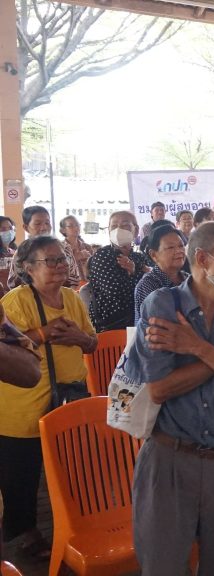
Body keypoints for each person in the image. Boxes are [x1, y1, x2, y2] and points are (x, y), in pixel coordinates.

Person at [127, 222, 214, 576]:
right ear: (204, 259)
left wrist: (197, 347)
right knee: (164, 566)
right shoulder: (162, 305)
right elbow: (160, 388)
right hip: (170, 458)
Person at [0, 235, 96, 559]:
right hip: (24, 405)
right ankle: (27, 535)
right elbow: (6, 348)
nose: (59, 266)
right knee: (22, 474)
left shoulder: (72, 297)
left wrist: (78, 337)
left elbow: (93, 342)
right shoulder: (16, 301)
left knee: (72, 468)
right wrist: (44, 333)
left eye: (62, 259)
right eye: (49, 260)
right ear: (28, 268)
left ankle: (76, 526)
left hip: (70, 400)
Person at [88, 212, 148, 332]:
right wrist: (134, 273)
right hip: (112, 324)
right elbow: (114, 292)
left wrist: (134, 271)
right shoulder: (103, 255)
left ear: (136, 231)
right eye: (114, 226)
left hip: (140, 320)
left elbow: (149, 288)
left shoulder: (139, 257)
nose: (118, 230)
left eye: (125, 225)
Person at [9, 207, 80, 290]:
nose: (44, 227)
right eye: (37, 224)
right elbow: (14, 283)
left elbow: (74, 279)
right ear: (26, 227)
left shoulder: (64, 248)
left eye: (47, 223)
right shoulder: (22, 252)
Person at [134, 225, 189, 324]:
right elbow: (159, 325)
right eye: (170, 247)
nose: (179, 251)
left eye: (181, 246)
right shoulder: (148, 285)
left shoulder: (188, 279)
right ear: (153, 255)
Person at [59, 215, 93, 281]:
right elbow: (58, 267)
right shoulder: (60, 248)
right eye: (71, 226)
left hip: (87, 284)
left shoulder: (87, 247)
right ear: (63, 230)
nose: (76, 228)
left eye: (77, 225)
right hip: (68, 284)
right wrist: (77, 256)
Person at [0, 217, 17, 294]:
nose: (8, 232)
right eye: (3, 229)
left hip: (15, 296)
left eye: (10, 228)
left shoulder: (16, 253)